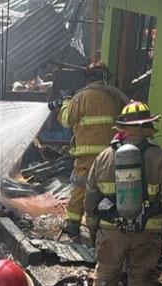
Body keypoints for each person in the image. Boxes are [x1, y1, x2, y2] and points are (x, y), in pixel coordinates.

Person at [85, 101, 162, 286]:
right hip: (147, 232)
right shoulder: (159, 158)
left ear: (122, 127)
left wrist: (93, 231)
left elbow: (90, 200)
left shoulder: (104, 158)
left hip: (111, 230)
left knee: (107, 270)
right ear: (148, 126)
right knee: (143, 273)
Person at [54, 62, 128, 239]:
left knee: (81, 186)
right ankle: (103, 225)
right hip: (111, 153)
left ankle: (72, 223)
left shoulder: (81, 98)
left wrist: (65, 102)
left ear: (87, 79)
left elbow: (66, 120)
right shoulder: (115, 97)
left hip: (87, 155)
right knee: (107, 187)